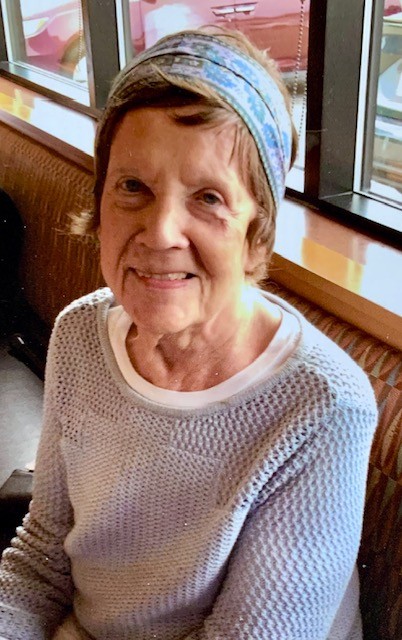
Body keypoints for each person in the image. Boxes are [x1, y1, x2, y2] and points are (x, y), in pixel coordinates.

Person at [0, 27, 377, 640]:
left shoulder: (323, 407)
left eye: (207, 198)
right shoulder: (79, 335)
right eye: (133, 188)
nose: (160, 232)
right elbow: (42, 558)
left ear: (257, 230)